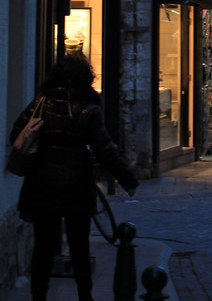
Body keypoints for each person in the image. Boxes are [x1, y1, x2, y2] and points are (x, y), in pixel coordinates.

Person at [9, 53, 138, 301]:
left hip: (42, 183)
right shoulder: (88, 110)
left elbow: (16, 134)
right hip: (76, 185)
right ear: (85, 78)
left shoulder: (41, 103)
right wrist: (127, 179)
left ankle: (38, 296)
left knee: (43, 248)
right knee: (79, 247)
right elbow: (105, 149)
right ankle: (85, 296)